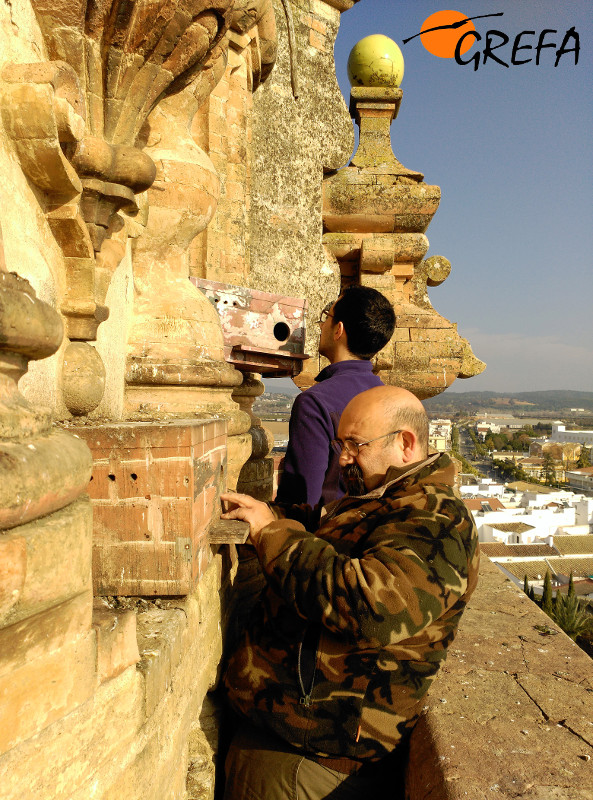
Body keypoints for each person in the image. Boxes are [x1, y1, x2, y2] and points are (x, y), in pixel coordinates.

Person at [220, 386, 480, 800]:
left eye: (354, 445)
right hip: (289, 749)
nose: (342, 457)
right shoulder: (388, 499)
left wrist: (270, 533)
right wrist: (273, 517)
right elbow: (329, 535)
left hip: (308, 766)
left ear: (406, 444)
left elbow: (373, 606)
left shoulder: (436, 518)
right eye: (340, 445)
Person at [275, 285, 396, 508]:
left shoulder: (315, 403)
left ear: (338, 329)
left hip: (328, 535)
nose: (321, 326)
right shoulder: (390, 399)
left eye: (326, 317)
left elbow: (300, 501)